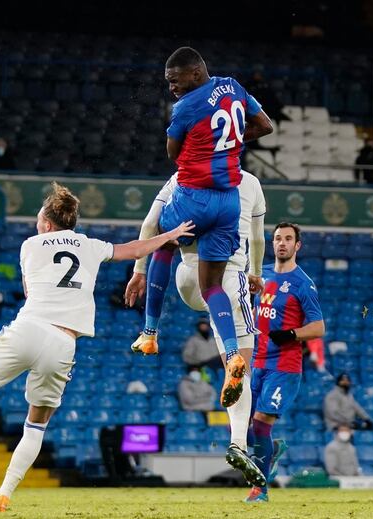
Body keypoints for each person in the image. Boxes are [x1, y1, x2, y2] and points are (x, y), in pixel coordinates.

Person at [0, 182, 194, 513]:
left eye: (39, 220)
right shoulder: (91, 245)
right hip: (63, 342)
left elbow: (28, 288)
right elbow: (135, 249)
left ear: (47, 224)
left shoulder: (30, 246)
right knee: (35, 426)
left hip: (29, 328)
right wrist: (170, 234)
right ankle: (2, 496)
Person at [130, 47, 273, 420]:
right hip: (229, 203)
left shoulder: (186, 108)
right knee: (212, 288)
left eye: (175, 79)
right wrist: (229, 146)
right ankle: (230, 355)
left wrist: (204, 151)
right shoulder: (234, 87)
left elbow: (173, 154)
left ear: (195, 72)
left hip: (195, 196)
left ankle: (149, 332)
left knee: (162, 237)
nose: (172, 86)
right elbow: (265, 126)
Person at [125, 169, 267, 488]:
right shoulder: (251, 183)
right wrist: (256, 272)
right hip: (229, 280)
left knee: (165, 240)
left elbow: (151, 225)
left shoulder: (180, 177)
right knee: (241, 370)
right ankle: (238, 443)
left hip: (187, 279)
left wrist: (138, 270)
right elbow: (257, 238)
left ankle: (150, 331)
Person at [245, 222, 326, 503]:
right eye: (278, 238)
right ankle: (273, 450)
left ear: (297, 245)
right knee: (245, 428)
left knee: (261, 423)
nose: (281, 243)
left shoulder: (303, 283)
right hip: (256, 362)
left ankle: (260, 490)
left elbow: (318, 327)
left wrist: (292, 333)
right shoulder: (260, 274)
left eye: (288, 239)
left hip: (284, 365)